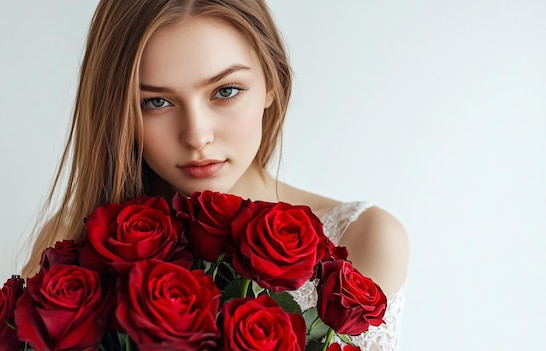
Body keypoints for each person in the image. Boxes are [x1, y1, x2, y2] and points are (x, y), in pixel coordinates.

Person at [22, 0, 409, 350]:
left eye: (225, 91)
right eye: (156, 102)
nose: (196, 136)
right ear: (119, 111)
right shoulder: (71, 242)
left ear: (271, 82)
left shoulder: (364, 240)